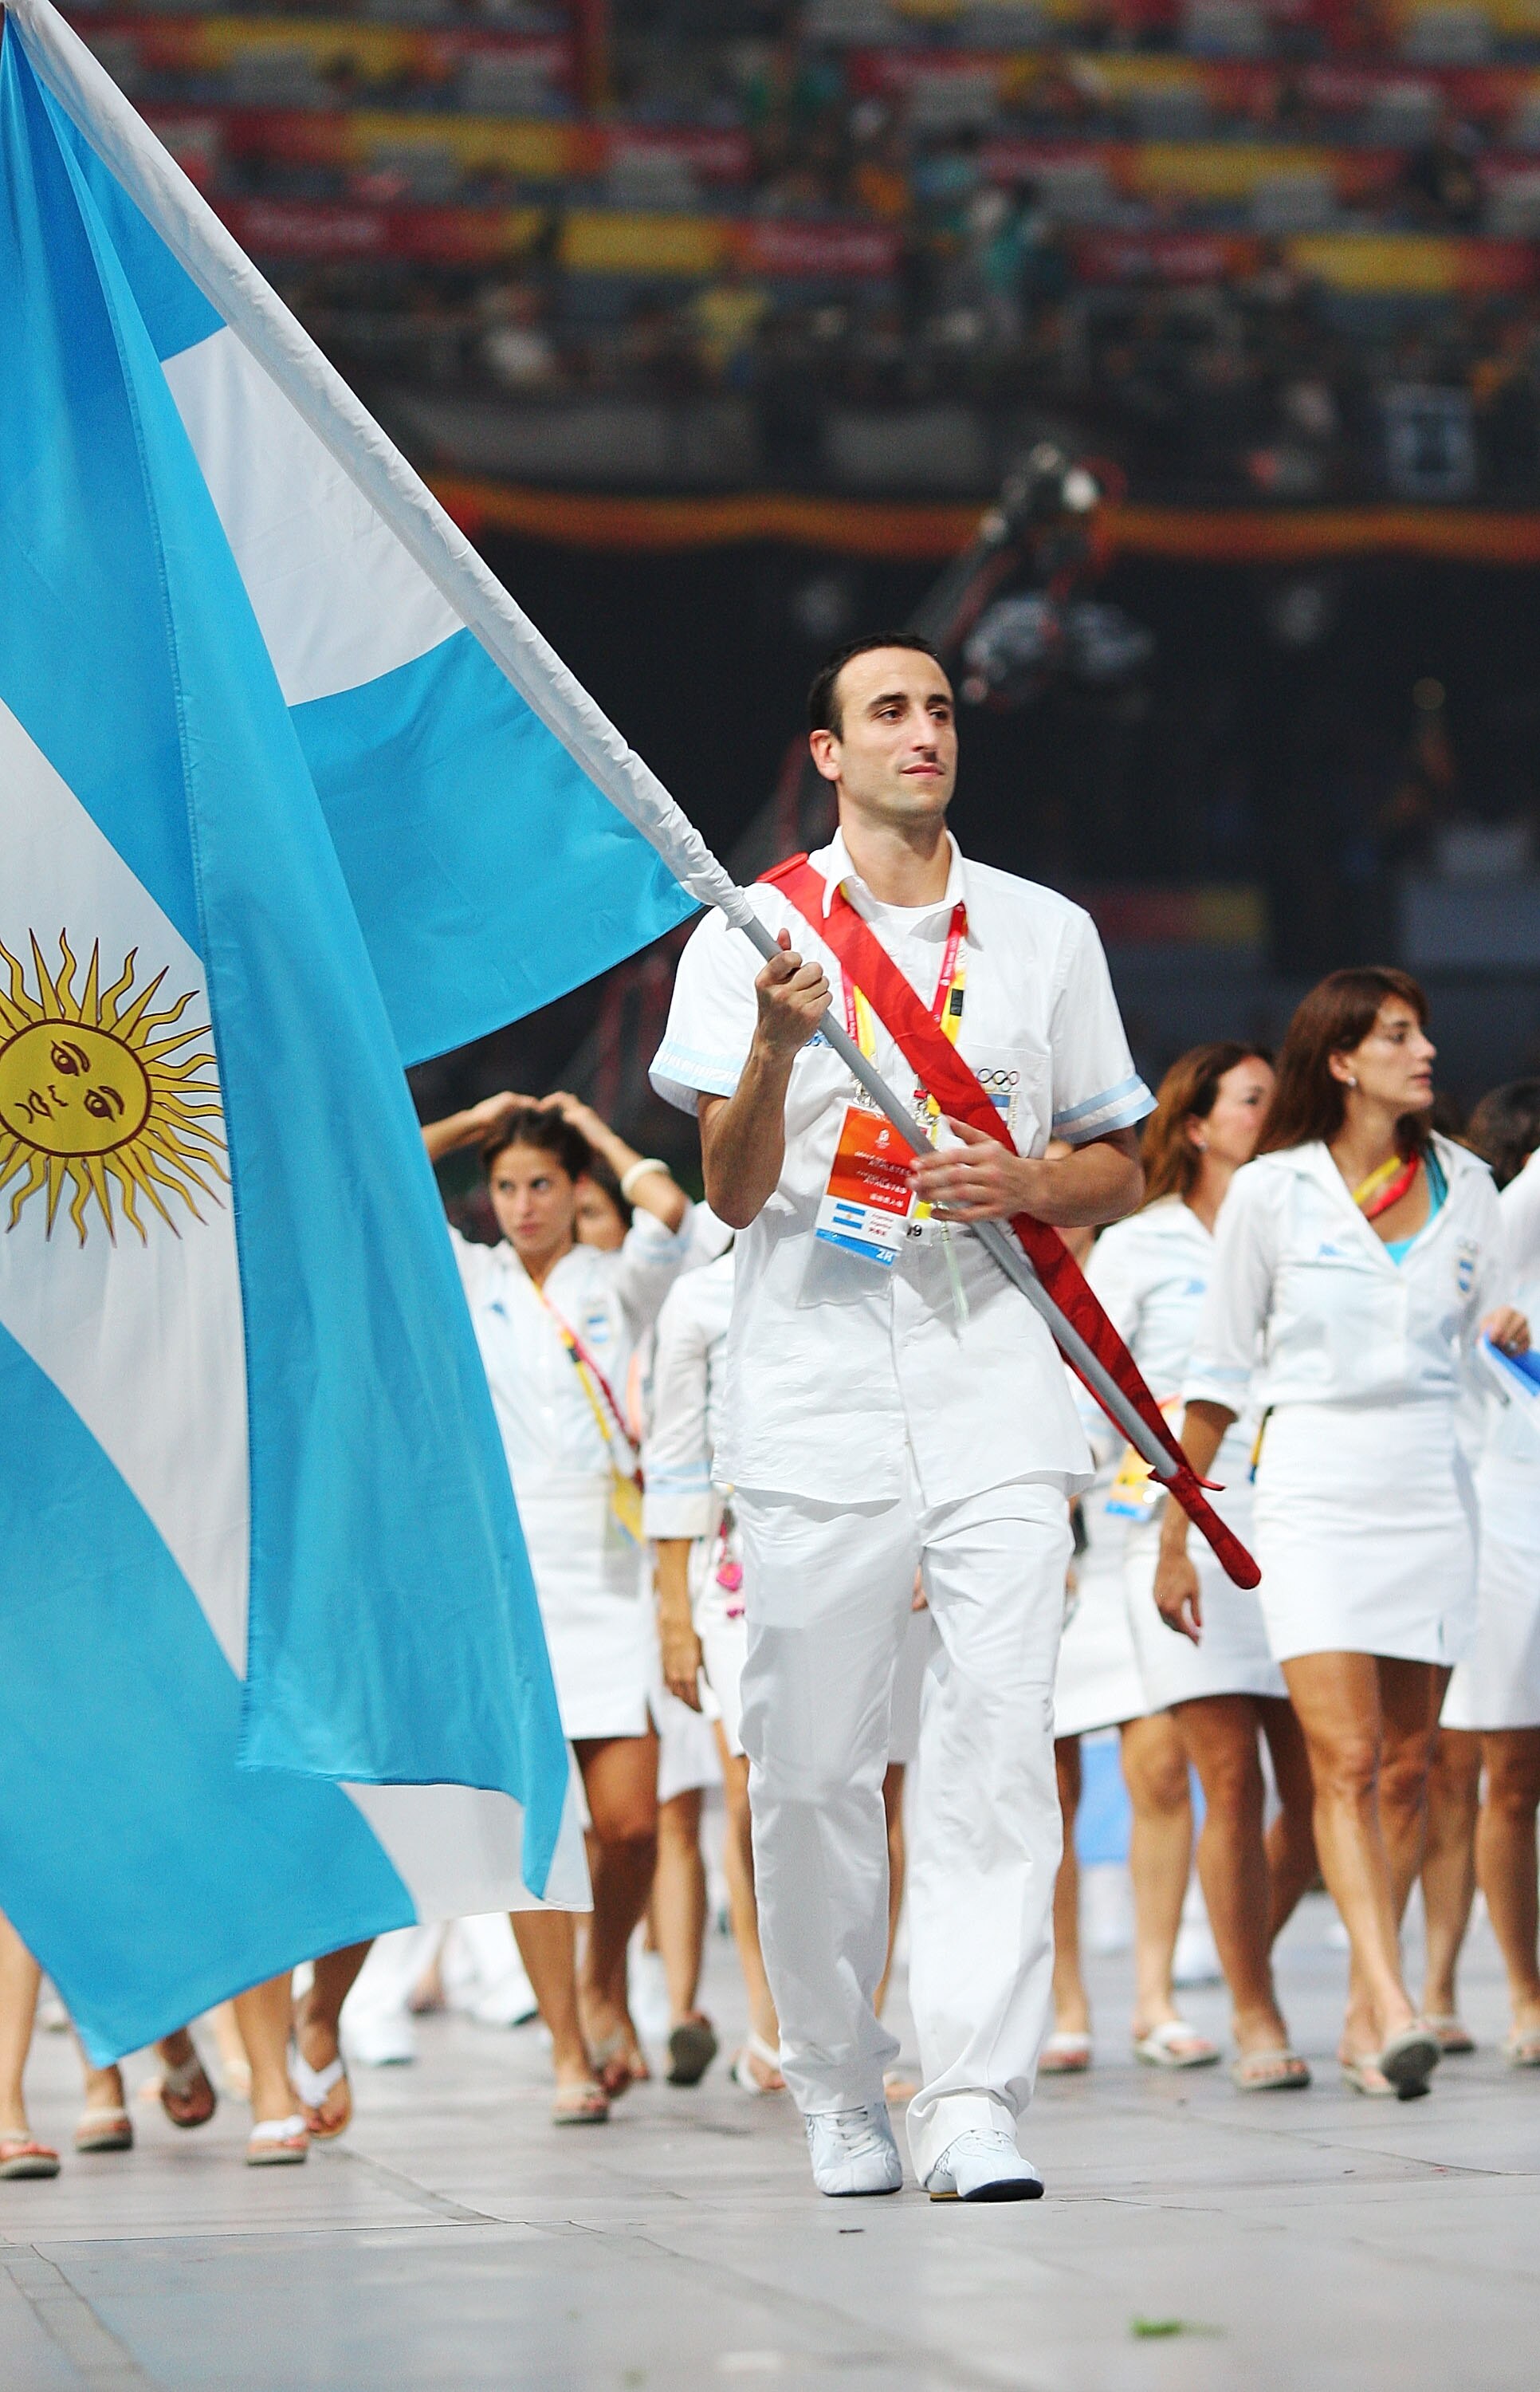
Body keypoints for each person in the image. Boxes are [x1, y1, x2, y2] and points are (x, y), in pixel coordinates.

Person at [650, 631, 1153, 2201]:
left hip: (997, 1384)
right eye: (889, 711)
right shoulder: (750, 934)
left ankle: (977, 2097)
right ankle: (837, 2083)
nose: (923, 732)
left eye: (939, 709)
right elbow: (730, 1197)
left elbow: (1121, 1163)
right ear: (828, 751)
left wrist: (1031, 1182)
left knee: (999, 1747)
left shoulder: (1045, 933)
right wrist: (776, 1043)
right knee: (803, 1769)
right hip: (813, 1393)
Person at [1157, 970, 1527, 2100]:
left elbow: (1493, 1346)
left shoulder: (1467, 1184)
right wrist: (1178, 1534)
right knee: (1348, 1760)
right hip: (1311, 1491)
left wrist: (1509, 1331)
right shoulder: (1273, 1194)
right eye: (1398, 1037)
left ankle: (1373, 2019)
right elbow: (1217, 1379)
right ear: (1341, 1061)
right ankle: (1393, 1992)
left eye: (1421, 1036)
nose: (1425, 1055)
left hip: (1433, 1488)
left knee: (1413, 1768)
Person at [422, 1091, 689, 2121]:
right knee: (544, 1826)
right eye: (506, 1187)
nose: (524, 1205)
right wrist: (476, 1116)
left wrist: (599, 1132)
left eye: (542, 1184)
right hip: (511, 1568)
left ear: (573, 1190)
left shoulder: (612, 1280)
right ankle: (570, 2049)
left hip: (612, 1563)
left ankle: (608, 1974)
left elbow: (667, 1210)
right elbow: (386, 1162)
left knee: (628, 1828)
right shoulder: (473, 1274)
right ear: (486, 1198)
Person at [1109, 1045, 1317, 2090]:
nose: (1271, 1115)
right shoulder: (1138, 1247)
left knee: (1322, 1797)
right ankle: (1253, 2008)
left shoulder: (1304, 1222)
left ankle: (1242, 1952)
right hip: (1177, 1525)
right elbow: (1098, 1397)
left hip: (1303, 1514)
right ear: (1194, 1125)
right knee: (1225, 1779)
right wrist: (1140, 1525)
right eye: (1251, 1101)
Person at [1046, 1194, 1215, 2081]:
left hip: (1129, 1531)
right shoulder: (986, 1276)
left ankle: (1155, 1996)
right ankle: (1067, 2002)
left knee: (1158, 1763)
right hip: (1042, 1538)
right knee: (1054, 1790)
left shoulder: (1131, 1260)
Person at [574, 1155, 721, 2089]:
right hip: (588, 1575)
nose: (590, 1226)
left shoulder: (656, 1305)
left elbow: (668, 1209)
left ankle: (682, 2005)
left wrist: (584, 1125)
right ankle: (609, 1991)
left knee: (673, 1814)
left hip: (673, 1574)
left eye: (595, 1208)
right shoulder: (518, 1306)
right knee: (605, 1825)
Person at [1433, 1082, 1540, 2063]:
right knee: (1504, 1770)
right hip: (1513, 1508)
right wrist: (1501, 1329)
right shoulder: (1523, 1197)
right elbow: (1465, 1323)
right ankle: (1522, 1995)